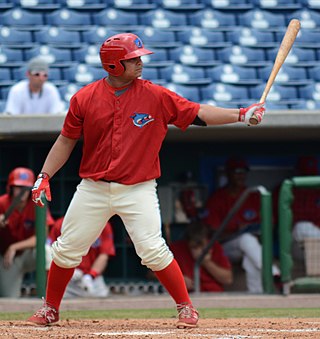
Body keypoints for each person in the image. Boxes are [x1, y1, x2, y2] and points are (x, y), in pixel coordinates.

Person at [27, 33, 265, 328]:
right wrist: (44, 175)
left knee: (153, 249)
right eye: (133, 59)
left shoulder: (155, 95)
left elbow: (199, 113)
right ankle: (50, 309)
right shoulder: (84, 98)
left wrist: (242, 114)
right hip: (94, 188)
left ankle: (186, 308)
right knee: (65, 249)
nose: (140, 63)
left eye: (139, 57)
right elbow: (66, 140)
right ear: (114, 66)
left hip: (137, 188)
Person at [203, 157, 280, 293]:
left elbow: (270, 225)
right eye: (237, 171)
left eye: (243, 172)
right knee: (246, 240)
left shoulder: (253, 196)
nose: (241, 175)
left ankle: (257, 295)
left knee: (250, 259)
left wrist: (256, 232)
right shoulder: (217, 198)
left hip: (251, 247)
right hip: (224, 248)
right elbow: (212, 235)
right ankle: (273, 273)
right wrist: (236, 231)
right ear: (228, 174)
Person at [0, 167, 54, 297]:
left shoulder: (37, 202)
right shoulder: (2, 202)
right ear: (11, 188)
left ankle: (48, 295)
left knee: (48, 252)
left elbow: (42, 237)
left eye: (26, 188)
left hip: (29, 253)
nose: (22, 191)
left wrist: (15, 247)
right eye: (18, 187)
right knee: (9, 299)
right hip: (8, 258)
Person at [46, 217, 115, 298]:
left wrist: (91, 276)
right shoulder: (61, 224)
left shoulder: (103, 224)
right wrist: (67, 268)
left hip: (92, 278)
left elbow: (104, 255)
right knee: (58, 299)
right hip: (68, 277)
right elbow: (51, 253)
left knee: (102, 297)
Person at [170, 222, 233, 292]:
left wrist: (206, 262)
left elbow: (228, 279)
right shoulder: (176, 249)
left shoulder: (215, 247)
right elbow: (157, 271)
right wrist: (178, 279)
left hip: (213, 293)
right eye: (195, 246)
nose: (199, 249)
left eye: (202, 245)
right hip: (188, 295)